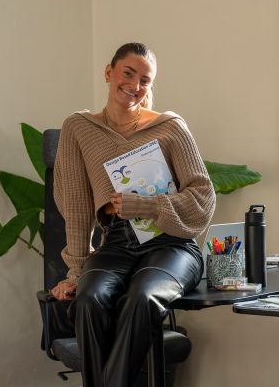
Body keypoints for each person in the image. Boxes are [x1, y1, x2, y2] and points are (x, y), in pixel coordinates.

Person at [49, 42, 215, 386]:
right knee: (88, 301)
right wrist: (76, 271)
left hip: (171, 245)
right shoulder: (79, 128)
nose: (136, 85)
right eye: (128, 73)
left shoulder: (170, 127)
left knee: (143, 298)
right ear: (109, 73)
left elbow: (203, 198)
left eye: (145, 80)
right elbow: (78, 207)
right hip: (117, 243)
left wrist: (148, 206)